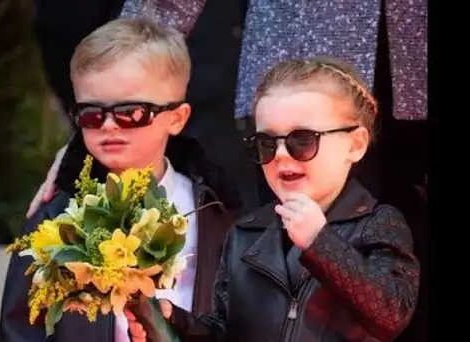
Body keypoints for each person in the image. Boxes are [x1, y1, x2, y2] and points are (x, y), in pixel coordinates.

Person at [126, 57, 421, 342]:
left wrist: (321, 243)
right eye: (266, 143)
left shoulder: (377, 222)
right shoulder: (245, 232)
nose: (280, 154)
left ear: (355, 145)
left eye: (303, 140)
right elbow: (225, 330)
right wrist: (176, 322)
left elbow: (391, 314)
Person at [0, 17, 242, 342]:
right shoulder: (54, 220)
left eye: (131, 112)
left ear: (177, 118)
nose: (110, 125)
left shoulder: (218, 217)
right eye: (91, 114)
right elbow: (19, 332)